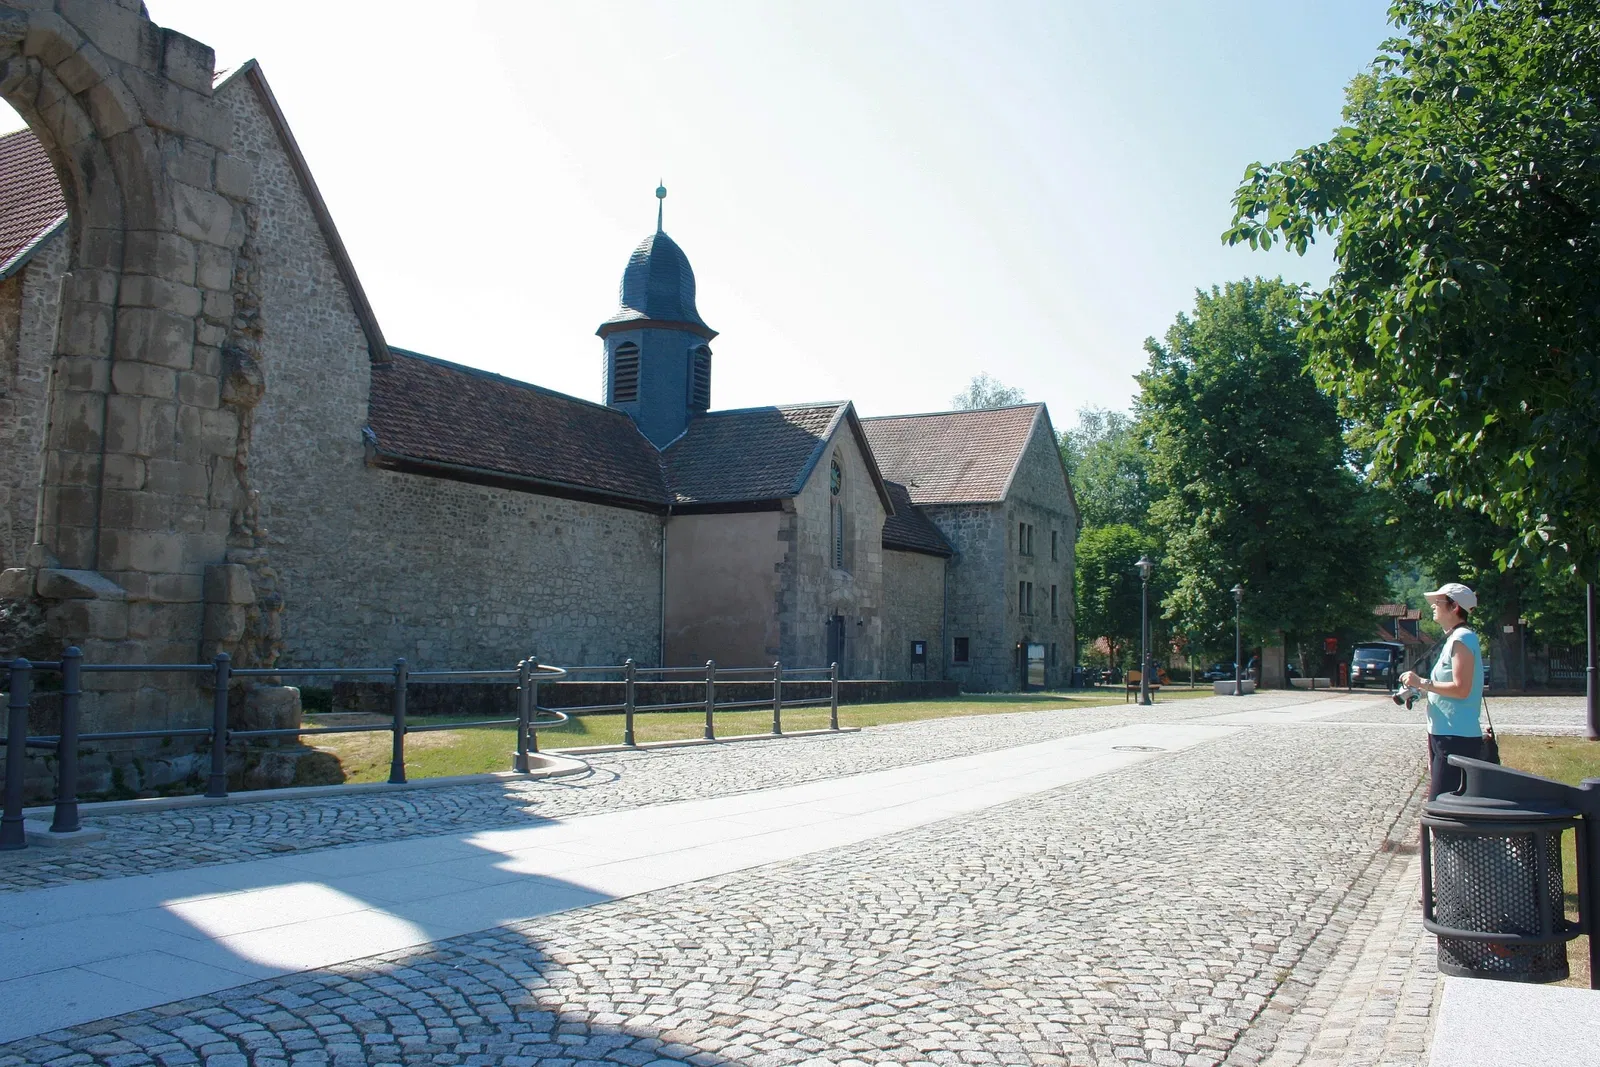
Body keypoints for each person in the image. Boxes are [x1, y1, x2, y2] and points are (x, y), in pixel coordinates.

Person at [1398, 582, 1486, 798]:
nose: (1432, 607)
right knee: (1441, 805)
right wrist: (1422, 690)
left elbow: (1461, 689)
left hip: (1456, 737)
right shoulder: (1455, 638)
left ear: (1454, 607)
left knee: (1443, 807)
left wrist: (1422, 683)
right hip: (1445, 733)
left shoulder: (1462, 638)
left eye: (1437, 602)